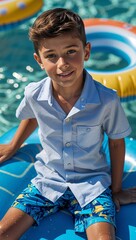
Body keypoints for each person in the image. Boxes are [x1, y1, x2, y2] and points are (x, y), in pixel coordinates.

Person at [0, 8, 136, 240]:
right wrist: (13, 145)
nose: (62, 63)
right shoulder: (34, 94)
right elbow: (32, 116)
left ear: (87, 51)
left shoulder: (106, 99)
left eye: (71, 52)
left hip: (92, 185)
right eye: (51, 55)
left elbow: (115, 143)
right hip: (47, 180)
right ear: (39, 60)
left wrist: (116, 190)